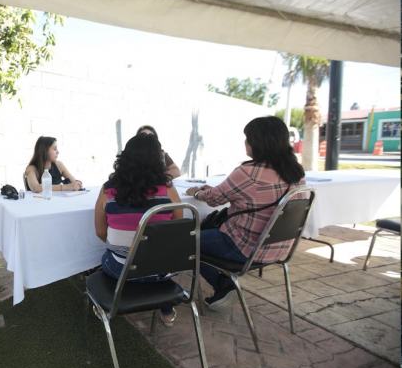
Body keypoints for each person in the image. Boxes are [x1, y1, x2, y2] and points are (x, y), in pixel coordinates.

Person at [185, 116, 306, 310]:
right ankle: (224, 282)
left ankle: (223, 285)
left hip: (245, 247)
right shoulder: (296, 172)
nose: (245, 142)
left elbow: (214, 199)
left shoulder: (249, 172)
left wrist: (197, 193)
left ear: (258, 142)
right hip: (279, 248)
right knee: (200, 237)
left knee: (183, 242)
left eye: (248, 138)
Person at [94, 133, 183, 327]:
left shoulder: (108, 190)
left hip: (120, 270)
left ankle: (111, 299)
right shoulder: (168, 190)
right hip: (161, 271)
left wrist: (125, 248)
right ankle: (167, 311)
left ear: (124, 158)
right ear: (158, 160)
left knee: (110, 259)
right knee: (158, 259)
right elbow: (176, 228)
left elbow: (100, 232)